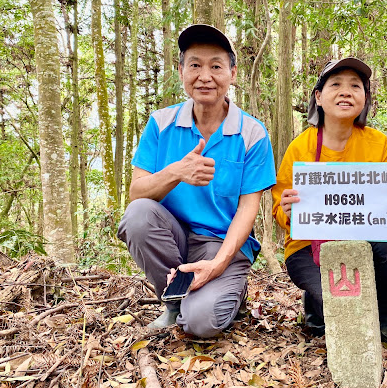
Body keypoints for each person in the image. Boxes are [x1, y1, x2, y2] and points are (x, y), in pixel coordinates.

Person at [117, 24, 276, 337]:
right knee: (137, 216)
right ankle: (175, 301)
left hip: (222, 245)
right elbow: (137, 192)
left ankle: (225, 291)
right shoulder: (161, 123)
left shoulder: (252, 133)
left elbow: (248, 210)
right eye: (195, 65)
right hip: (174, 238)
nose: (205, 76)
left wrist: (217, 264)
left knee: (201, 325)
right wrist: (177, 171)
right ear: (181, 71)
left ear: (232, 73)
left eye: (216, 66)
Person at [272, 57, 387, 348]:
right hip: (311, 247)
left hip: (366, 241)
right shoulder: (301, 147)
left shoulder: (377, 142)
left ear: (365, 98)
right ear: (318, 97)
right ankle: (316, 304)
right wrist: (287, 210)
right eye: (336, 85)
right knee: (339, 313)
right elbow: (279, 209)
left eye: (355, 86)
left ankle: (386, 317)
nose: (346, 92)